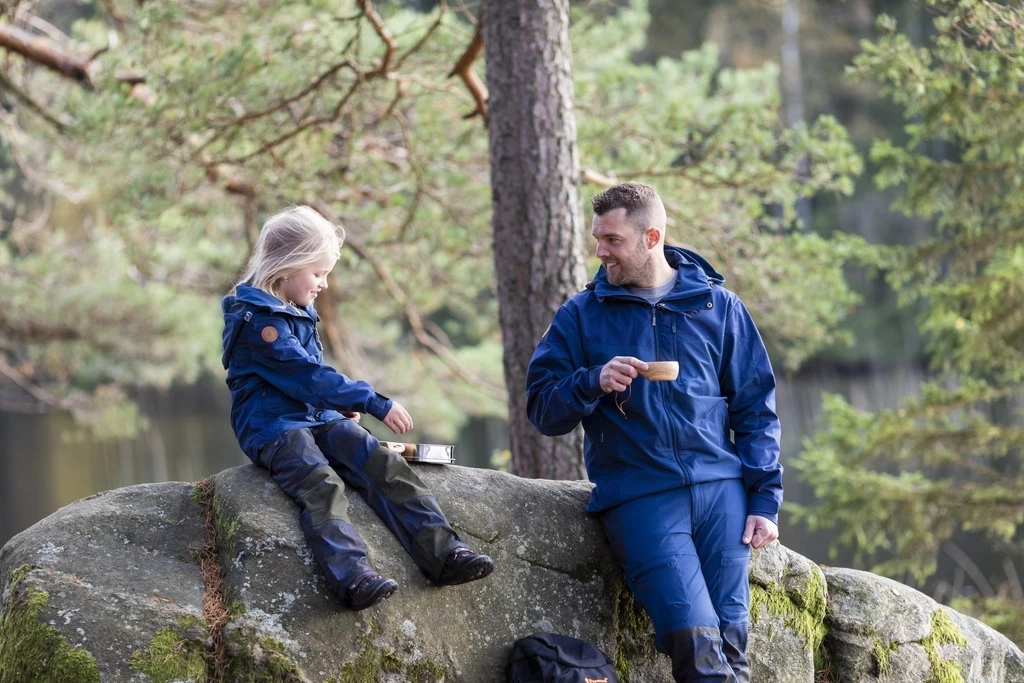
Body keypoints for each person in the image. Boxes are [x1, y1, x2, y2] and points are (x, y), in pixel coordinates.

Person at [525, 183, 782, 682]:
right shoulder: (581, 316)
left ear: (651, 237)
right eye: (597, 239)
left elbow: (755, 410)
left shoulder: (718, 307)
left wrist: (764, 501)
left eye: (612, 240)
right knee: (698, 647)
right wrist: (590, 381)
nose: (600, 251)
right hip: (641, 496)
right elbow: (541, 409)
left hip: (721, 494)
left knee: (732, 645)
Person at [221, 205, 493, 611]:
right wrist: (370, 401)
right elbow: (306, 375)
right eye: (318, 273)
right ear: (287, 266)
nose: (324, 285)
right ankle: (352, 577)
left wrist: (337, 408)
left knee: (379, 461)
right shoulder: (259, 322)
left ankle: (444, 554)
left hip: (314, 414)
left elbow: (310, 379)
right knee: (320, 482)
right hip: (273, 425)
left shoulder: (292, 307)